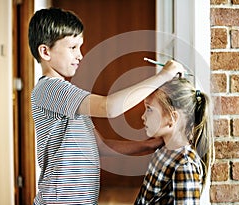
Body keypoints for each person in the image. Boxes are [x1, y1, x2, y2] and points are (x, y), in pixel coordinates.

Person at [28, 7, 184, 205]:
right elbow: (109, 107)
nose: (80, 56)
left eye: (80, 47)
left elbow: (101, 146)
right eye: (73, 47)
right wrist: (164, 75)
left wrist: (150, 145)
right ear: (45, 51)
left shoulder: (70, 98)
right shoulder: (50, 89)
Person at [134, 77, 213, 205]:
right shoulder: (163, 151)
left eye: (149, 109)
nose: (143, 116)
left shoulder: (184, 165)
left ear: (172, 118)